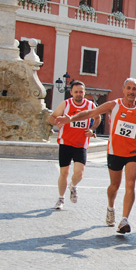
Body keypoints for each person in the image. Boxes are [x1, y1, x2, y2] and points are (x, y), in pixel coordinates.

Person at [55, 78, 136, 234]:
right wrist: (69, 118)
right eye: (129, 88)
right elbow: (90, 113)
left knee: (130, 184)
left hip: (134, 152)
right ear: (123, 89)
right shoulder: (113, 105)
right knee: (114, 186)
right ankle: (111, 207)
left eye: (134, 89)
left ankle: (124, 220)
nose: (131, 92)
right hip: (115, 151)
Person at [48, 81, 100, 210]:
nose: (78, 94)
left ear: (84, 92)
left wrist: (92, 129)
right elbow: (51, 117)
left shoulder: (90, 105)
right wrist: (57, 123)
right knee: (64, 172)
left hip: (81, 143)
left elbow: (98, 118)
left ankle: (73, 185)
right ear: (71, 92)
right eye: (76, 92)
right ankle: (61, 199)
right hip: (66, 142)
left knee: (79, 173)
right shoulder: (65, 104)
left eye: (81, 92)